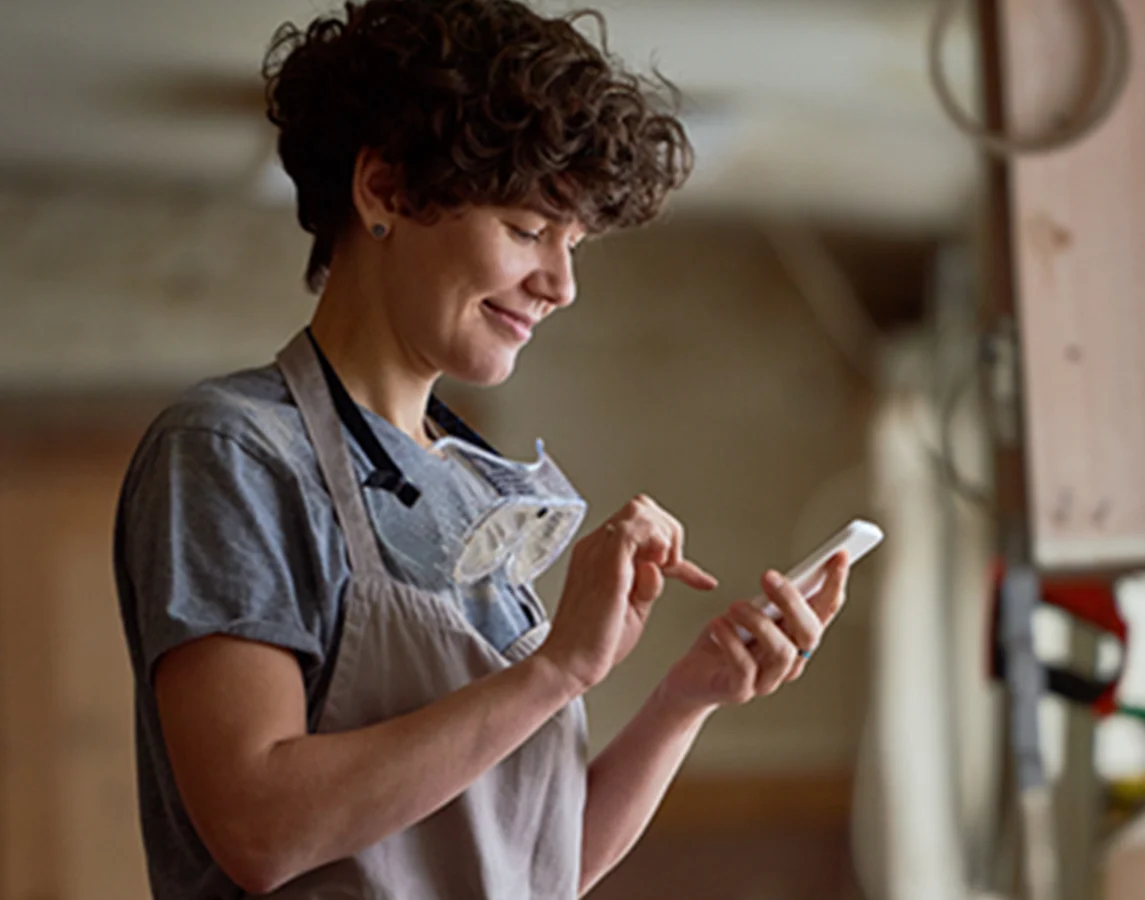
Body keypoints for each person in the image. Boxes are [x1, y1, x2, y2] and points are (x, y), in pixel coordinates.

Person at [111, 2, 852, 897]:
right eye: (529, 230)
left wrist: (686, 697)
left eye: (574, 244)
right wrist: (557, 670)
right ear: (384, 190)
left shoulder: (469, 489)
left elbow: (537, 860)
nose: (562, 285)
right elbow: (262, 827)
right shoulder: (233, 453)